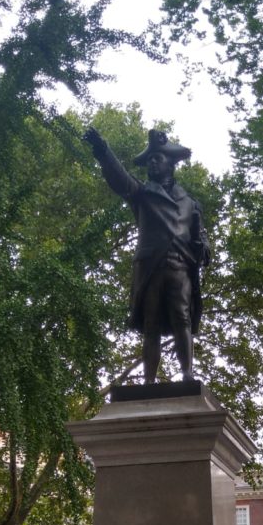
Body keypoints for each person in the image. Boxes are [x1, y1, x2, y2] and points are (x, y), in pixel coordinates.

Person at [84, 126, 209, 384]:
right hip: (151, 268)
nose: (152, 162)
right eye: (150, 159)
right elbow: (121, 180)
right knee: (150, 325)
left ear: (171, 164)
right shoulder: (142, 194)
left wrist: (204, 248)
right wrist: (103, 152)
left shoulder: (191, 203)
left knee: (181, 319)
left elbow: (200, 236)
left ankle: (187, 374)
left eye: (158, 158)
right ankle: (149, 381)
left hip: (179, 267)